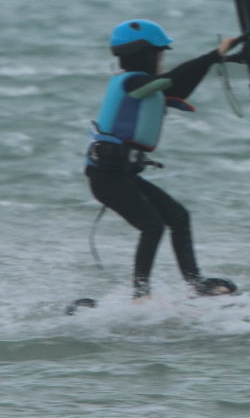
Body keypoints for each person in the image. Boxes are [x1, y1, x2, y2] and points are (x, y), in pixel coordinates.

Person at [85, 18, 241, 299]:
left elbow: (180, 87)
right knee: (152, 226)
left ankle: (196, 283)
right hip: (106, 177)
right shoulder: (132, 83)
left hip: (120, 175)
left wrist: (219, 59)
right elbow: (172, 80)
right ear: (144, 55)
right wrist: (213, 54)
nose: (161, 61)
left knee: (178, 217)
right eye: (159, 54)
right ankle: (140, 295)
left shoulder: (146, 87)